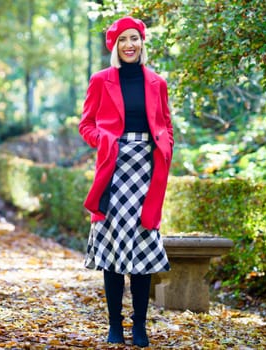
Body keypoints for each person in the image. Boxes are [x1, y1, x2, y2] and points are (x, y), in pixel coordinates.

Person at [79, 16, 174, 347]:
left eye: (134, 38)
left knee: (143, 245)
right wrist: (106, 142)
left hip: (147, 168)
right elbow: (86, 125)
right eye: (123, 40)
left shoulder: (157, 83)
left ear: (142, 42)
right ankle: (114, 326)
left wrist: (164, 147)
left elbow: (166, 125)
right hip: (113, 167)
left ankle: (140, 327)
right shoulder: (101, 80)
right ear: (115, 45)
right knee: (114, 249)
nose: (129, 45)